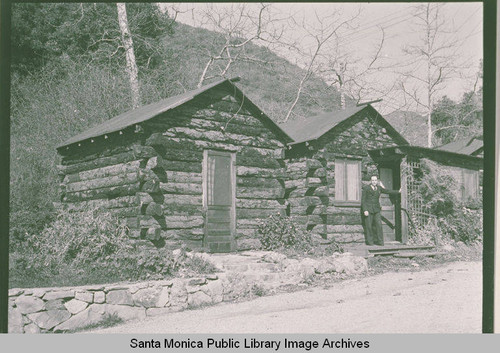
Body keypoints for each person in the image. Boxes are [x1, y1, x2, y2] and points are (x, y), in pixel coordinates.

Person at [361, 175, 400, 246]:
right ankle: (370, 243)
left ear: (377, 181)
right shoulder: (366, 188)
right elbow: (363, 200)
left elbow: (387, 191)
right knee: (369, 226)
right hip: (368, 210)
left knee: (379, 225)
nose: (374, 182)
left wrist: (398, 191)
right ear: (370, 181)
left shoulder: (379, 188)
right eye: (373, 180)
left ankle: (380, 242)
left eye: (375, 180)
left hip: (376, 210)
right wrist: (365, 210)